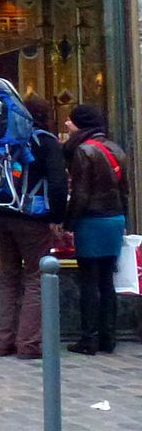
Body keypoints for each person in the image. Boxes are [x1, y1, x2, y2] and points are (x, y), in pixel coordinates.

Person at [0, 96, 66, 359]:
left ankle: (2, 342)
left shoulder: (2, 141)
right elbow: (58, 184)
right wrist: (57, 217)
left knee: (8, 278)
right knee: (36, 277)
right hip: (31, 217)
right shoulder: (45, 142)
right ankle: (28, 344)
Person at [63, 105, 129, 355]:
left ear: (81, 124)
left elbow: (80, 193)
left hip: (91, 221)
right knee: (107, 280)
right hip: (114, 219)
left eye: (71, 121)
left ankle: (88, 339)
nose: (67, 124)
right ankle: (108, 337)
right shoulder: (116, 149)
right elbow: (125, 190)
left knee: (89, 281)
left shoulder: (83, 151)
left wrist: (69, 224)